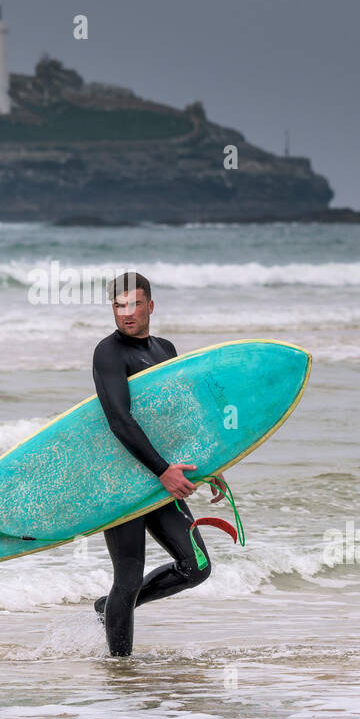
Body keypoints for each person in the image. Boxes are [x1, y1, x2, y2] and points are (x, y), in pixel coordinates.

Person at [90, 270, 227, 657]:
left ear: (151, 306)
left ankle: (109, 609)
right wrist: (162, 471)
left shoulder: (165, 349)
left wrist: (210, 464)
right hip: (123, 480)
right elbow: (120, 419)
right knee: (128, 577)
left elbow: (178, 419)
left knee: (196, 567)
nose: (126, 313)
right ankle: (121, 671)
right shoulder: (108, 352)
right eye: (118, 306)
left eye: (134, 304)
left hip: (159, 475)